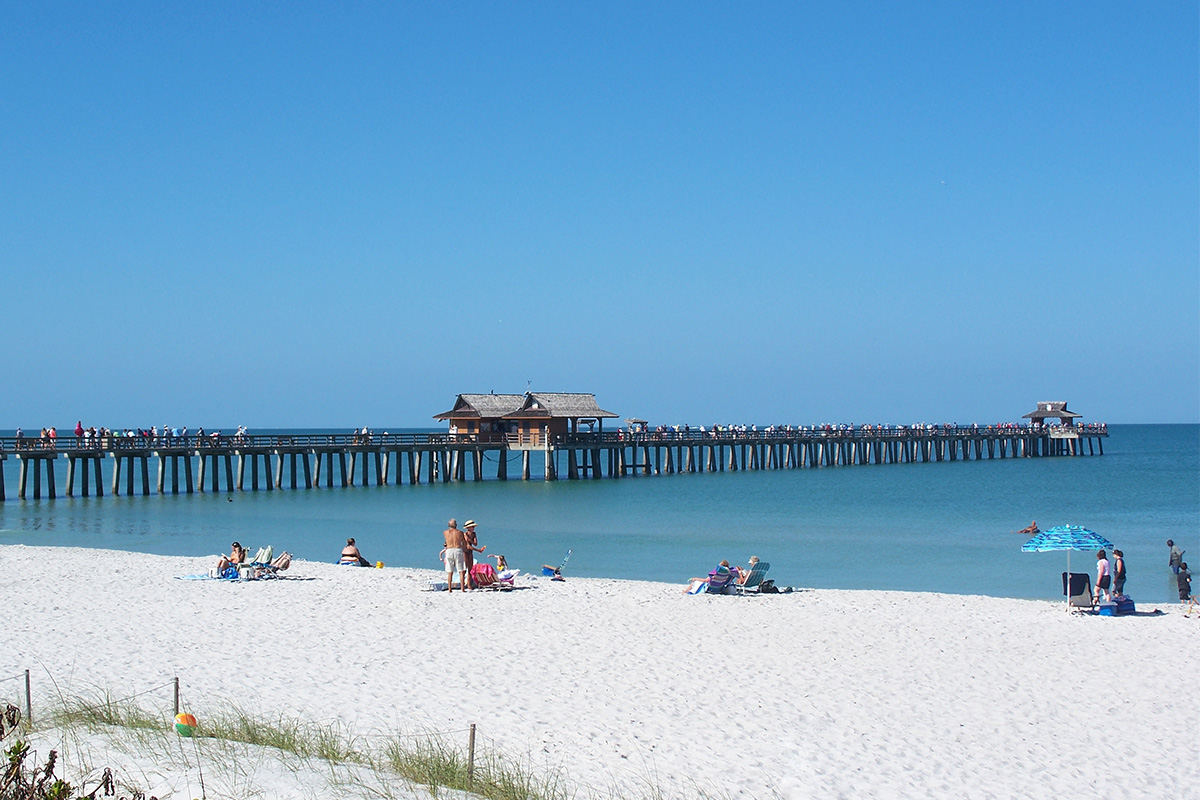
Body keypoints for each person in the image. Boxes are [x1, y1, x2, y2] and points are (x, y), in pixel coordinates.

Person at [441, 519, 468, 592]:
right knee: (461, 570)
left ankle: (450, 588)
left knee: (450, 571)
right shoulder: (460, 532)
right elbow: (464, 543)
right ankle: (462, 589)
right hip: (457, 549)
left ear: (448, 525)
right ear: (456, 525)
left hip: (449, 550)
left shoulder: (445, 532)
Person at [461, 521, 486, 588]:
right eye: (472, 527)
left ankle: (469, 584)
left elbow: (475, 544)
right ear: (468, 527)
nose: (473, 528)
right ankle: (462, 584)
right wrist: (478, 550)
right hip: (465, 551)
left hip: (470, 552)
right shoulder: (465, 534)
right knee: (464, 568)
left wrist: (469, 540)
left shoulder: (474, 534)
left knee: (470, 569)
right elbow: (468, 546)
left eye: (473, 526)